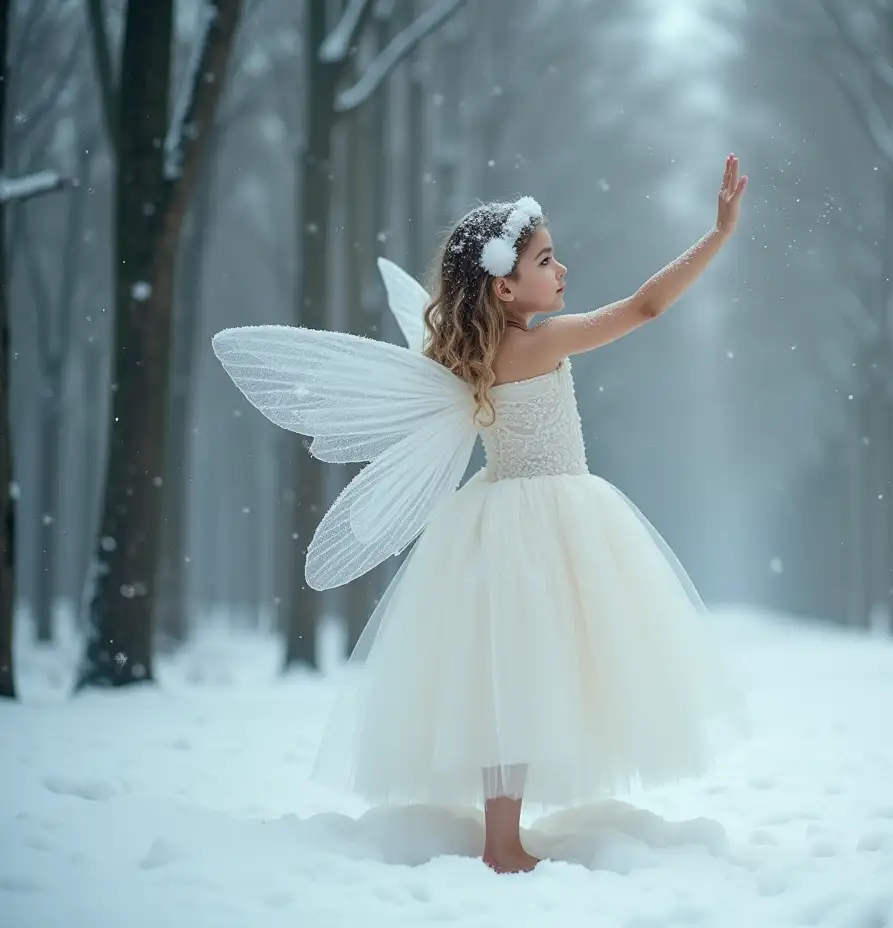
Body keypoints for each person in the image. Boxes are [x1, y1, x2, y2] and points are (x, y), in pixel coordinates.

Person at [213, 154, 750, 874]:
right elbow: (645, 307)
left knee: (510, 674)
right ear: (505, 284)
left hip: (496, 520)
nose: (562, 271)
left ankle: (503, 835)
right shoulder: (541, 341)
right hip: (555, 515)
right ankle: (503, 842)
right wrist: (716, 236)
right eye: (547, 259)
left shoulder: (469, 357)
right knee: (552, 664)